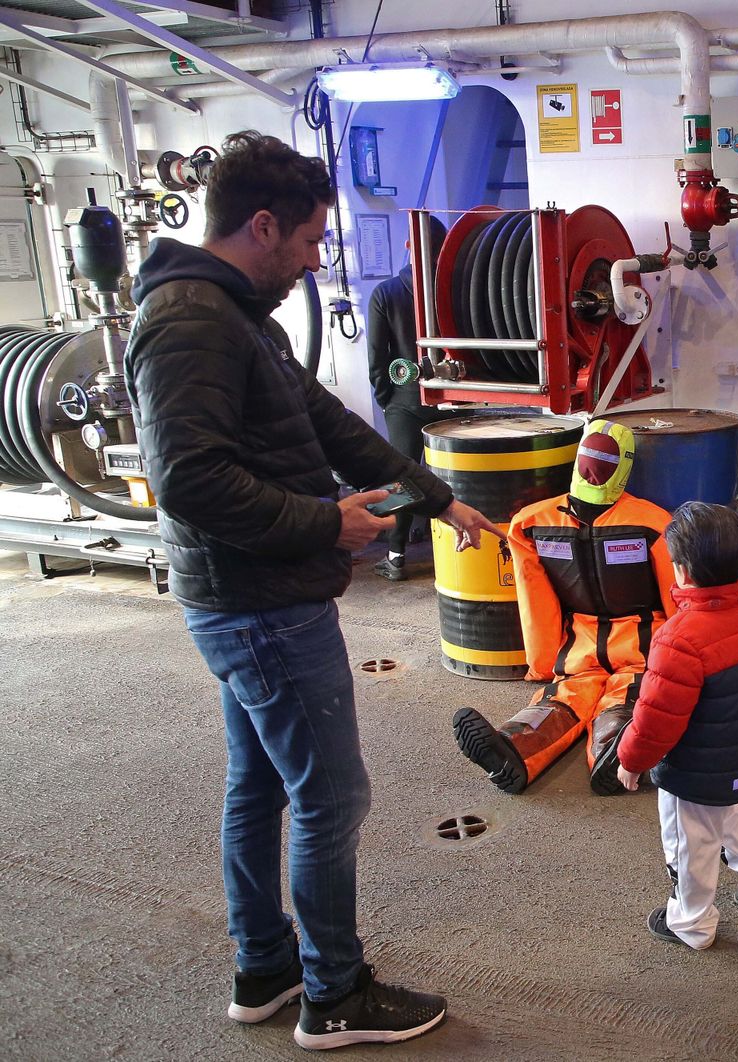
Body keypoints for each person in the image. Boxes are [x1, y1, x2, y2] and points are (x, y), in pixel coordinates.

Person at [125, 131, 501, 1051]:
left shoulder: (236, 312)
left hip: (258, 597)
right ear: (261, 226)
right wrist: (326, 523)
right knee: (332, 798)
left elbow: (326, 420)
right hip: (260, 606)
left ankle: (265, 969)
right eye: (304, 242)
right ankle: (335, 995)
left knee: (259, 786)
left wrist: (436, 497)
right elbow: (189, 479)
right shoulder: (191, 321)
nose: (311, 260)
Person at [452, 419, 677, 795]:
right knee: (627, 698)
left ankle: (515, 747)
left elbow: (535, 600)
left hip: (576, 651)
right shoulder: (654, 522)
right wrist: (684, 661)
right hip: (642, 649)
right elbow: (676, 598)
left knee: (563, 700)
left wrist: (542, 662)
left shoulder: (530, 523)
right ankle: (614, 748)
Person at [613, 501, 738, 950]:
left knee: (688, 844)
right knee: (724, 813)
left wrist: (630, 760)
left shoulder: (679, 640)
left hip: (693, 772)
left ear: (681, 571)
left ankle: (692, 924)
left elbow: (655, 720)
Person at [365, 216, 450, 581]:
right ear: (443, 249)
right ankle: (451, 548)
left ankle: (396, 555)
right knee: (452, 473)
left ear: (407, 246)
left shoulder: (385, 293)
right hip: (451, 400)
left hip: (405, 401)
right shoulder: (452, 291)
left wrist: (388, 399)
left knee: (399, 478)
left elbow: (376, 358)